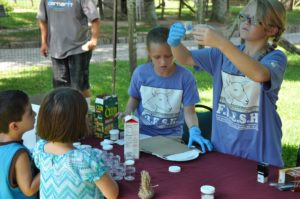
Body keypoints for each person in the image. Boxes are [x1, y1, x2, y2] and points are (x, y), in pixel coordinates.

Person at [167, 0, 287, 167]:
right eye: (244, 16)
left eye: (254, 19)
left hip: (261, 157)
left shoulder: (275, 58)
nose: (245, 22)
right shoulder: (221, 54)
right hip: (223, 151)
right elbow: (185, 57)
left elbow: (259, 74)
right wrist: (175, 43)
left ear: (272, 29)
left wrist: (222, 43)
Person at [120, 27, 212, 153]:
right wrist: (128, 112)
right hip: (142, 134)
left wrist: (194, 130)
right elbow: (135, 97)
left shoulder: (185, 77)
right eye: (157, 57)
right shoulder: (141, 73)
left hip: (171, 137)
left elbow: (190, 112)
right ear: (148, 53)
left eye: (168, 56)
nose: (163, 62)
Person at [32, 87, 119, 199]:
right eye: (86, 115)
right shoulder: (85, 160)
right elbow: (112, 194)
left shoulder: (40, 149)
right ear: (78, 123)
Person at [37, 0, 100, 105]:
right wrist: (44, 42)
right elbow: (42, 20)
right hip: (56, 49)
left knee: (79, 88)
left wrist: (94, 40)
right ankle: (65, 116)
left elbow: (95, 18)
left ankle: (86, 114)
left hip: (79, 48)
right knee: (60, 90)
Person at [0, 90, 40, 198]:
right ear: (14, 126)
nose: (35, 114)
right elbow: (29, 189)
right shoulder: (19, 154)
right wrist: (48, 166)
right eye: (30, 113)